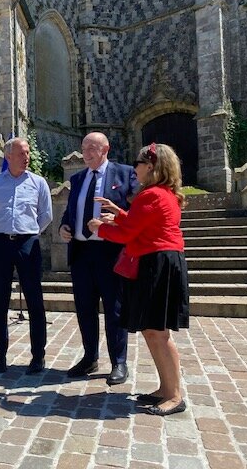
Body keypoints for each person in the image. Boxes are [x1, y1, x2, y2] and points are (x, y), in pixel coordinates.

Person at [88, 142, 189, 416]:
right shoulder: (162, 194)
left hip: (157, 264)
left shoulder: (151, 195)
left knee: (158, 333)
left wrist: (100, 228)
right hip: (159, 262)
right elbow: (139, 223)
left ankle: (174, 395)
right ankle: (166, 388)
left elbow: (127, 234)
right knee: (153, 331)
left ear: (151, 166)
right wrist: (119, 213)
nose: (134, 168)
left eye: (139, 163)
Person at [59, 132, 137, 385]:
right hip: (81, 253)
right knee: (85, 308)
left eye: (92, 148)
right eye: (84, 148)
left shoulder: (124, 173)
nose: (86, 153)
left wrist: (118, 218)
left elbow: (137, 211)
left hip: (110, 252)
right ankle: (90, 357)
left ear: (105, 150)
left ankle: (119, 362)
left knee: (115, 309)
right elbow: (71, 211)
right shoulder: (78, 178)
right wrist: (64, 227)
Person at [0, 137, 53, 374]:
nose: (26, 157)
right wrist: (1, 230)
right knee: (0, 301)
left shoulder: (38, 183)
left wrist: (29, 232)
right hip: (0, 244)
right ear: (8, 156)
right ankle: (0, 355)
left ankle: (38, 356)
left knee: (34, 300)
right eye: (22, 153)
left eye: (28, 153)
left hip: (27, 243)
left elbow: (46, 215)